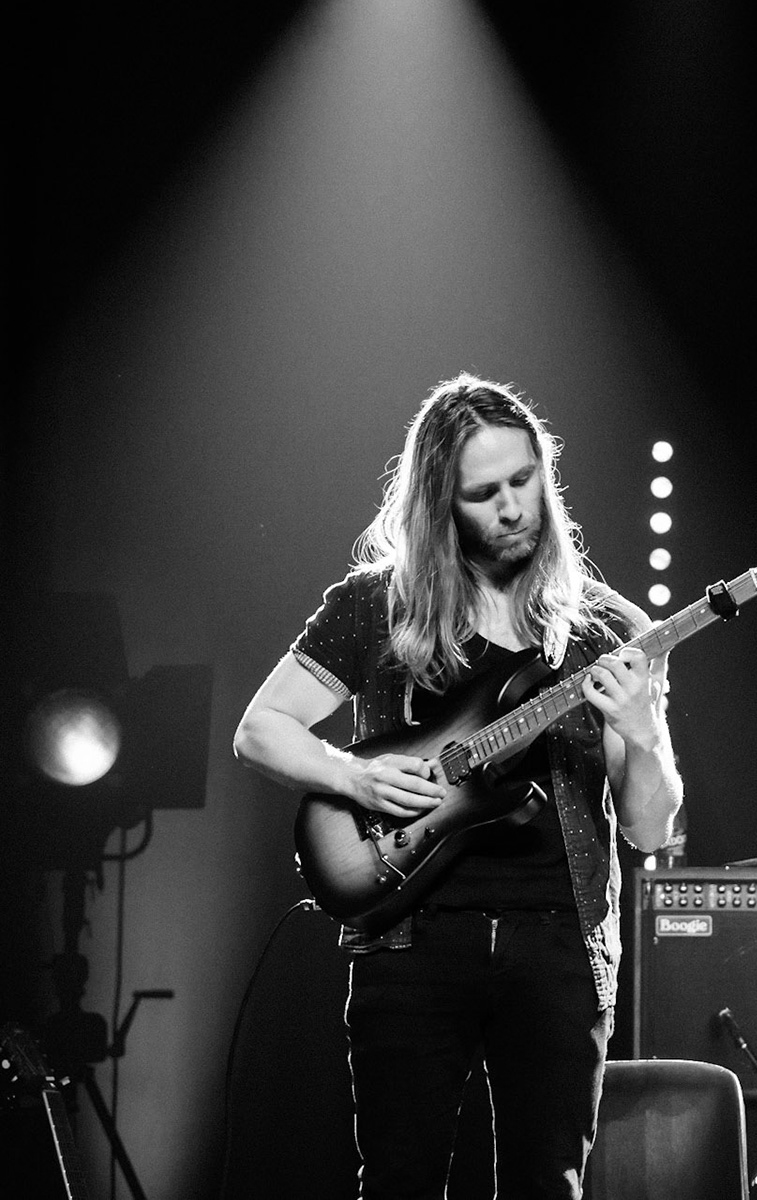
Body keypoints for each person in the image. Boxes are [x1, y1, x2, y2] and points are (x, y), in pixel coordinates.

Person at [234, 375, 682, 1199]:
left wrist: (645, 735)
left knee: (550, 1186)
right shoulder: (379, 606)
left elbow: (650, 832)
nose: (514, 509)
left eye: (525, 482)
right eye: (485, 494)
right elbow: (260, 729)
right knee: (399, 1182)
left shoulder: (609, 629)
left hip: (559, 944)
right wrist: (353, 774)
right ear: (442, 503)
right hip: (409, 935)